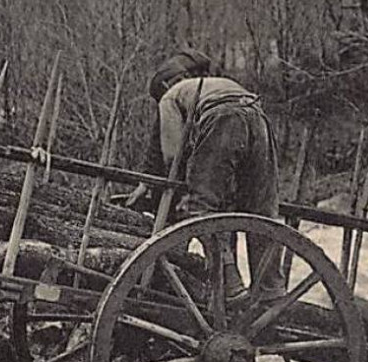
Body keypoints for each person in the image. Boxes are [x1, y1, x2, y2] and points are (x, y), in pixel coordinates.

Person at [121, 47, 283, 298]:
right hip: (258, 117)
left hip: (222, 118)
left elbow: (172, 156)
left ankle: (230, 283)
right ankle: (270, 291)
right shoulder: (217, 83)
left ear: (165, 84)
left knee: (201, 209)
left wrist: (172, 192)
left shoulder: (170, 97)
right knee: (261, 212)